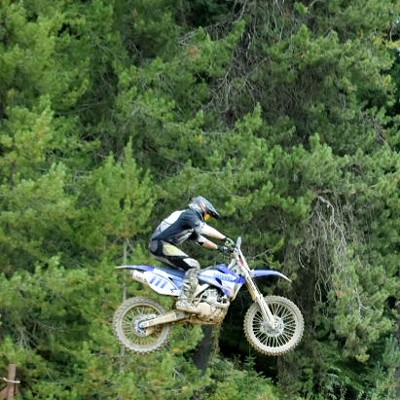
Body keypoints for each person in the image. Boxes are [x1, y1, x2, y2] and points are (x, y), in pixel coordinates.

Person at [149, 196, 234, 314]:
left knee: (188, 270)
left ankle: (183, 298)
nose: (206, 218)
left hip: (162, 245)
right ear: (201, 207)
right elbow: (203, 229)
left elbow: (201, 240)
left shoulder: (188, 225)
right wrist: (224, 238)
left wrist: (219, 248)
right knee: (193, 265)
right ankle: (183, 301)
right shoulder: (189, 215)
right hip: (161, 244)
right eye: (208, 215)